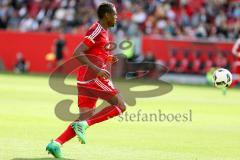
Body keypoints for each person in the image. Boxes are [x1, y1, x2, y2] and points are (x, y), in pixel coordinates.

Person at [46, 2, 126, 158]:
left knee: (84, 117)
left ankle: (56, 144)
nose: (117, 17)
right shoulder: (96, 29)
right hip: (91, 77)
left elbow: (94, 54)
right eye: (114, 14)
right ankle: (84, 125)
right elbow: (78, 52)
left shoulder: (105, 32)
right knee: (121, 106)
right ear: (106, 15)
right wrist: (98, 70)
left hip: (87, 78)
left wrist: (107, 59)